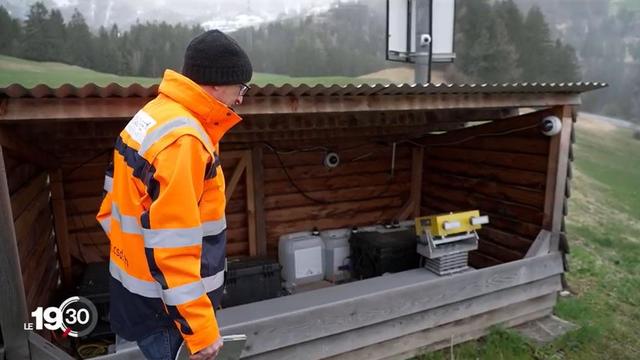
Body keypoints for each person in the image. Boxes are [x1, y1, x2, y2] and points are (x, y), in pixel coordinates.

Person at [96, 29, 252, 360]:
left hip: (139, 299)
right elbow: (173, 248)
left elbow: (109, 209)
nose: (240, 98)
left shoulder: (152, 116)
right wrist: (200, 331)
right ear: (215, 83)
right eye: (240, 87)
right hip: (169, 316)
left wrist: (136, 259)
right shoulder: (185, 141)